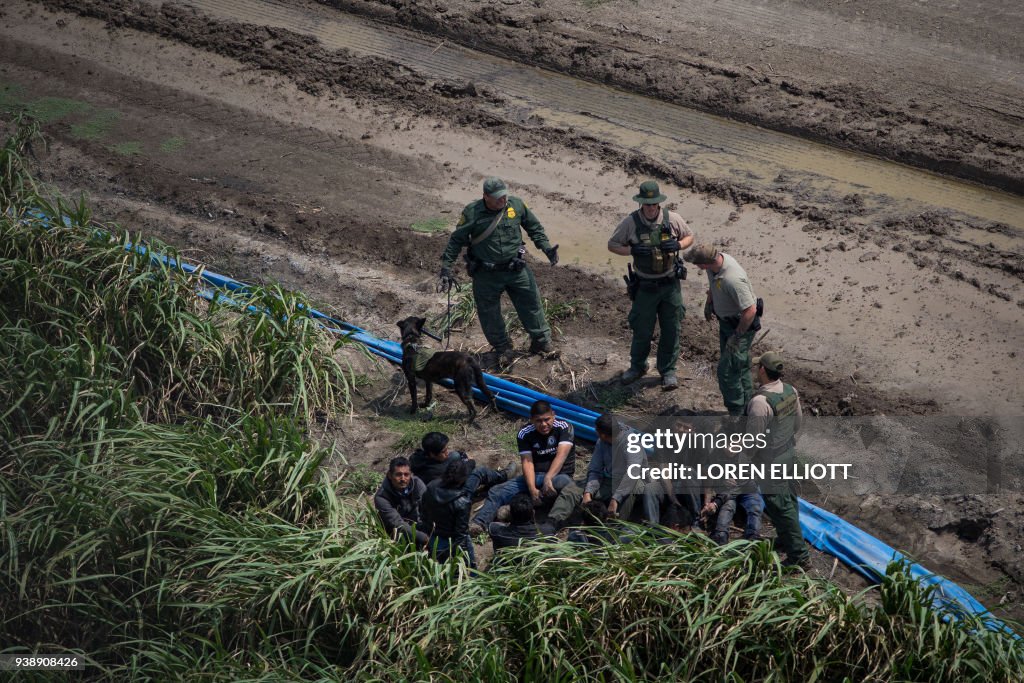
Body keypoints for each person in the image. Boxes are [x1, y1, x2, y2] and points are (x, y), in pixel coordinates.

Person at [439, 177, 560, 364]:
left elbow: (534, 228)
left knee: (531, 304)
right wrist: (446, 268)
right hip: (486, 274)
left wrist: (546, 248)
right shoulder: (472, 212)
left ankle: (541, 342)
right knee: (489, 313)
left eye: (504, 196)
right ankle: (503, 348)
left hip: (516, 270)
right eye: (497, 198)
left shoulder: (516, 206)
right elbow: (456, 240)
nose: (502, 200)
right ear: (485, 197)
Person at [607, 180, 694, 390]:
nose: (651, 208)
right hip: (645, 286)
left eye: (654, 204)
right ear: (641, 204)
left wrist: (679, 244)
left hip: (670, 284)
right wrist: (633, 251)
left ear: (659, 203)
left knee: (671, 328)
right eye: (647, 204)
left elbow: (690, 236)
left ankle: (668, 371)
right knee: (642, 330)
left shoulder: (672, 218)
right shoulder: (631, 222)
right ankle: (637, 367)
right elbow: (612, 245)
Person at [469, 400, 583, 533]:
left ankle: (523, 508)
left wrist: (548, 478)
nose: (544, 424)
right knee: (497, 491)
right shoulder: (524, 433)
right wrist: (532, 488)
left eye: (547, 419)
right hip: (535, 476)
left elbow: (561, 456)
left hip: (559, 476)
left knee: (566, 486)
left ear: (553, 415)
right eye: (538, 421)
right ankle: (479, 523)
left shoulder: (564, 427)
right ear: (531, 420)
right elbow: (527, 462)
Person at [745, 351, 809, 567]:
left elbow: (752, 441)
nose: (755, 370)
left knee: (779, 506)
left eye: (757, 367)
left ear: (762, 370)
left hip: (771, 462)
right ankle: (786, 539)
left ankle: (799, 557)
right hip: (789, 453)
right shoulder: (791, 391)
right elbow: (797, 423)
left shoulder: (761, 403)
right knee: (789, 500)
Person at [684, 244, 760, 415]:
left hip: (740, 327)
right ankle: (748, 405)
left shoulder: (732, 279)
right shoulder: (715, 266)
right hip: (727, 323)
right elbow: (713, 283)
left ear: (704, 263)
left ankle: (736, 411)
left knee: (726, 372)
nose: (697, 267)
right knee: (739, 366)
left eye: (697, 264)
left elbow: (751, 310)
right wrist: (709, 303)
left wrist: (737, 336)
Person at [582, 413, 659, 523]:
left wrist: (615, 499)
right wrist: (588, 492)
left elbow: (632, 473)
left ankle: (617, 526)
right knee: (577, 490)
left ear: (602, 434)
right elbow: (595, 469)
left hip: (636, 481)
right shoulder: (602, 442)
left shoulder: (631, 442)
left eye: (596, 430)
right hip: (612, 479)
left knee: (631, 488)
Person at [409, 432, 513, 494]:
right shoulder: (434, 471)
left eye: (446, 449)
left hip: (442, 489)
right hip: (452, 493)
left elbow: (455, 456)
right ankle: (502, 475)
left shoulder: (417, 458)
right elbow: (464, 472)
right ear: (432, 454)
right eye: (443, 451)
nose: (447, 452)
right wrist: (470, 462)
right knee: (479, 472)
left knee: (455, 455)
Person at [422, 459, 477, 568]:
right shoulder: (462, 502)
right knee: (466, 567)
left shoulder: (431, 486)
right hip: (451, 540)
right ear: (463, 479)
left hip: (433, 536)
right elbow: (461, 535)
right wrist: (462, 557)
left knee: (439, 569)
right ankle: (472, 575)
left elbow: (423, 510)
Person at [374, 456, 429, 549]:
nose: (403, 478)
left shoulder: (418, 484)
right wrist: (424, 538)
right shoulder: (382, 497)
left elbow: (429, 507)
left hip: (418, 525)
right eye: (398, 474)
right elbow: (397, 523)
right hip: (396, 533)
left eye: (406, 474)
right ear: (390, 475)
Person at [488, 493, 556, 555]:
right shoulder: (548, 532)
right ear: (533, 513)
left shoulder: (496, 531)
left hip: (509, 566)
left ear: (510, 515)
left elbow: (493, 525)